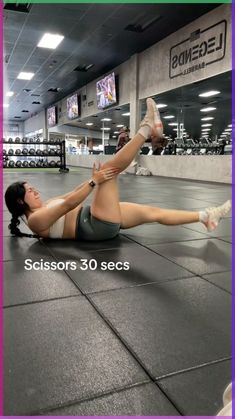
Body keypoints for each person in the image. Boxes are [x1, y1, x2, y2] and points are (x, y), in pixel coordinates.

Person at [5, 98, 231, 241]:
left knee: (154, 213)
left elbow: (70, 194)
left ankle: (205, 217)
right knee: (110, 169)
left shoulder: (44, 205)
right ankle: (146, 129)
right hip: (95, 226)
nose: (35, 192)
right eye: (30, 191)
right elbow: (68, 204)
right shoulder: (35, 221)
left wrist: (92, 179)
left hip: (97, 215)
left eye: (33, 188)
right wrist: (95, 181)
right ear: (19, 202)